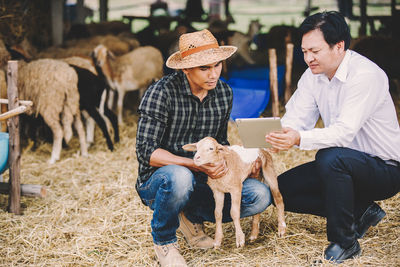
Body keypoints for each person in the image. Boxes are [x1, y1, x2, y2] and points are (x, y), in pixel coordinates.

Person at [265, 11, 400, 263]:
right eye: (304, 51)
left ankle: (345, 243)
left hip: (384, 170)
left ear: (339, 46)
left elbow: (344, 132)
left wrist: (298, 139)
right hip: (342, 165)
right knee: (279, 191)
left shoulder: (365, 76)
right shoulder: (312, 77)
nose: (308, 58)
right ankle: (361, 211)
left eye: (314, 51)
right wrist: (278, 136)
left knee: (330, 156)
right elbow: (295, 119)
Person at [135, 29, 271, 267]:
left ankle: (191, 215)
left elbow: (220, 143)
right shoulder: (160, 92)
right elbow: (147, 153)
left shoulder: (224, 93)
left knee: (259, 195)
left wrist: (244, 161)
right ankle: (165, 242)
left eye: (217, 65)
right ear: (185, 68)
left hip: (204, 178)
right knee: (180, 178)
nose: (213, 74)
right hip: (161, 179)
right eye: (204, 68)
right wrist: (196, 165)